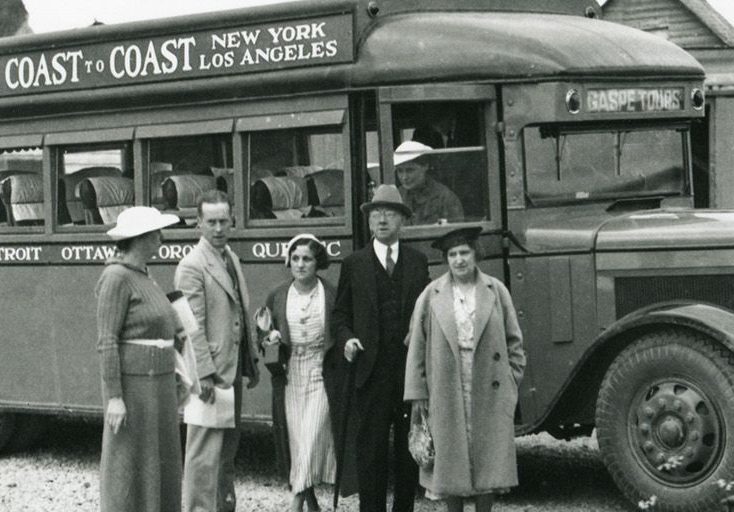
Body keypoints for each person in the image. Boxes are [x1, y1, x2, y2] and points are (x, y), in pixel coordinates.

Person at [404, 227, 526, 512]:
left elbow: (515, 342)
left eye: (464, 253)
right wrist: (419, 392)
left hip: (487, 381)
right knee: (450, 454)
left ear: (475, 254)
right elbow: (416, 346)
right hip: (446, 383)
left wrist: (510, 380)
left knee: (486, 455)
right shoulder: (431, 295)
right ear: (446, 259)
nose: (459, 260)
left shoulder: (495, 290)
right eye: (452, 254)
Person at [332, 184, 430, 512]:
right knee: (370, 453)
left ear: (402, 220)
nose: (382, 218)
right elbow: (340, 315)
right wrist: (347, 338)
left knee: (407, 453)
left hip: (407, 373)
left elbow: (428, 312)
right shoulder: (354, 263)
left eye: (390, 212)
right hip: (369, 374)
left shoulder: (417, 262)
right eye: (376, 213)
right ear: (370, 220)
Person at [175, 190, 260, 512]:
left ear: (232, 221)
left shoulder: (230, 258)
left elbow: (238, 311)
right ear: (198, 224)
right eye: (211, 222)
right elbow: (191, 326)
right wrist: (204, 374)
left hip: (231, 367)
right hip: (211, 373)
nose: (219, 228)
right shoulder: (192, 265)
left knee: (226, 451)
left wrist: (249, 362)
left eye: (224, 221)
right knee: (204, 454)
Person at [95, 206, 182, 512]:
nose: (162, 237)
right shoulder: (115, 277)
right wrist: (115, 398)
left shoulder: (145, 276)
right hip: (134, 390)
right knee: (129, 465)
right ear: (141, 238)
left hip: (158, 387)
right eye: (156, 232)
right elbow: (106, 341)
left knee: (160, 463)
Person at [257, 233, 338, 512]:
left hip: (320, 372)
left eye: (307, 259)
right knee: (298, 441)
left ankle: (295, 503)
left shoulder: (330, 293)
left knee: (313, 435)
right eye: (296, 258)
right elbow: (262, 336)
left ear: (318, 263)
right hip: (291, 374)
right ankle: (311, 503)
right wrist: (271, 338)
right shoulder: (278, 295)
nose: (301, 264)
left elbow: (339, 331)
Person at [394, 141, 464, 225]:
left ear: (425, 166)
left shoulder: (445, 198)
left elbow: (457, 233)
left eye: (410, 170)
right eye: (400, 171)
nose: (404, 177)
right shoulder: (397, 196)